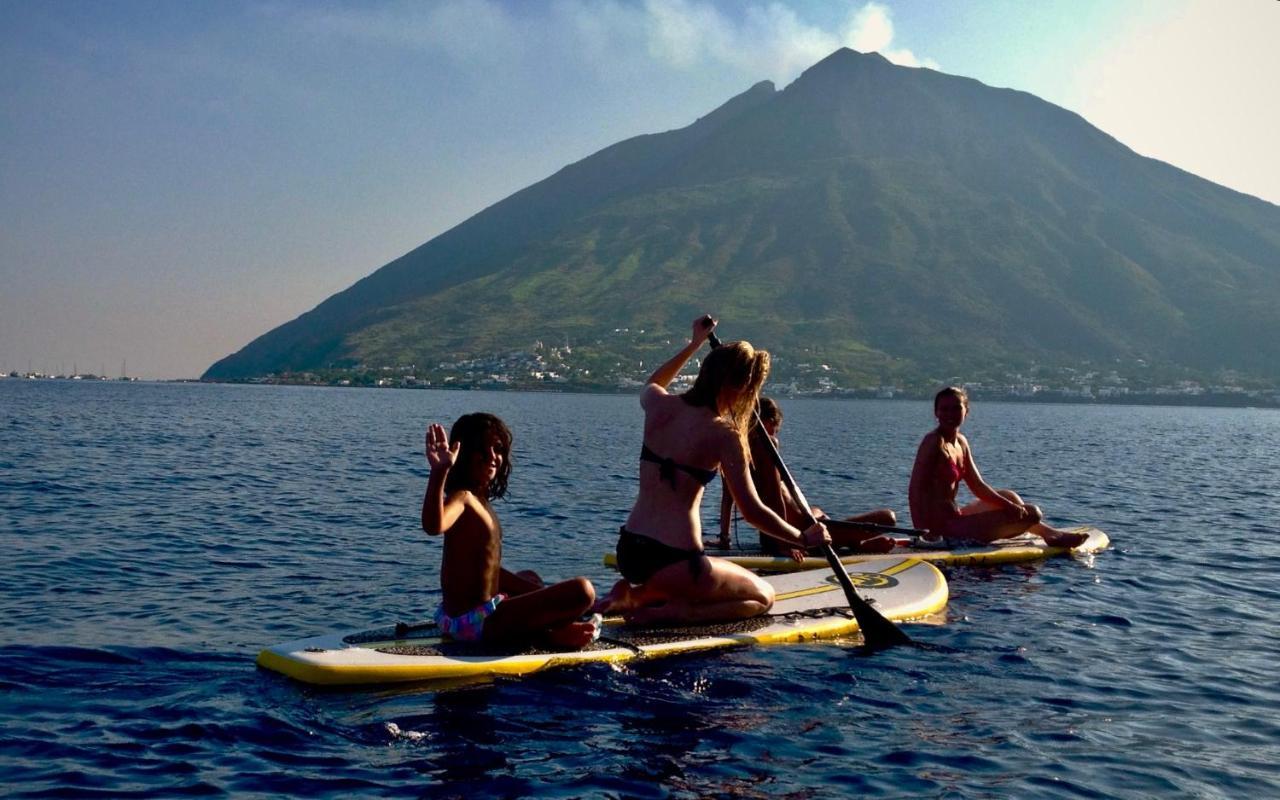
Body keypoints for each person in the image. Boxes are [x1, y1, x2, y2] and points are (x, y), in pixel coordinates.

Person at [594, 316, 830, 625]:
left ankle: (637, 593)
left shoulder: (659, 405)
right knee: (763, 597)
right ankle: (674, 611)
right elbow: (752, 511)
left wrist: (693, 344)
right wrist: (802, 537)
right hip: (677, 560)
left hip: (630, 551)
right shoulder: (724, 435)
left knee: (704, 577)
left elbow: (653, 383)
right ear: (742, 388)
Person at [421, 412, 598, 648]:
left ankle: (551, 626)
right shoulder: (462, 498)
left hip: (467, 618)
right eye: (484, 449)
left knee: (529, 578)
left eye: (498, 449)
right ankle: (549, 635)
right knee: (582, 591)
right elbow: (434, 525)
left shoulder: (479, 501)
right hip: (473, 624)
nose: (493, 457)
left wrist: (539, 591)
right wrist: (439, 472)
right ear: (463, 454)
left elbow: (487, 567)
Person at [908, 387, 1088, 548]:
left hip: (954, 517)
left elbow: (978, 486)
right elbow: (915, 489)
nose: (950, 414)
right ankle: (1051, 534)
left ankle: (1048, 533)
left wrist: (1008, 505)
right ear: (936, 413)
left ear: (966, 411)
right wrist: (923, 534)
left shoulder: (961, 442)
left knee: (1009, 497)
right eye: (944, 409)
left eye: (956, 408)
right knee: (1032, 513)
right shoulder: (933, 442)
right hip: (940, 528)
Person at [717, 396, 898, 555]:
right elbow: (774, 495)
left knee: (817, 512)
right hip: (797, 532)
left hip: (783, 530)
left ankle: (853, 542)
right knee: (888, 518)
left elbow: (727, 499)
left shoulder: (731, 445)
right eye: (776, 429)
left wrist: (724, 537)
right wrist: (786, 543)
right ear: (769, 423)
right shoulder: (766, 442)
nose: (775, 434)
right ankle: (853, 544)